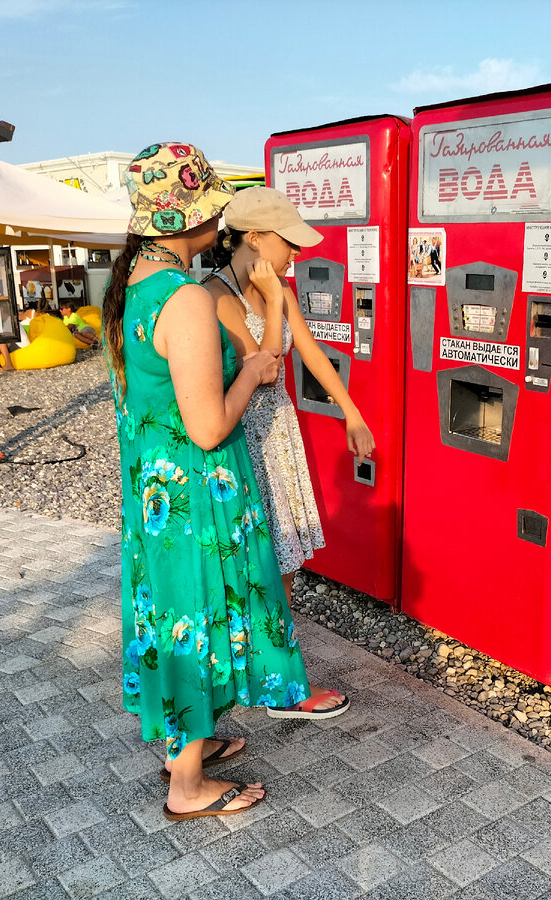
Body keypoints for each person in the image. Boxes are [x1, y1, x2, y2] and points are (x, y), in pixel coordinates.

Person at [104, 143, 313, 820]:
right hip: (196, 501)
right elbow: (205, 427)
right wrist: (251, 372)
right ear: (190, 218)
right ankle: (187, 786)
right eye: (214, 209)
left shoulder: (130, 288)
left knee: (169, 619)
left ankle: (183, 746)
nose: (220, 222)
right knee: (195, 616)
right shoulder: (185, 298)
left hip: (156, 500)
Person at [203, 186, 374, 719]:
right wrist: (274, 302)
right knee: (258, 562)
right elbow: (267, 366)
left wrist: (352, 411)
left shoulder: (276, 286)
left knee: (286, 558)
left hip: (277, 436)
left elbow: (312, 353)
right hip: (240, 443)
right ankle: (276, 683)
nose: (296, 255)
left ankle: (273, 671)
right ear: (253, 237)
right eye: (289, 243)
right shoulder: (210, 296)